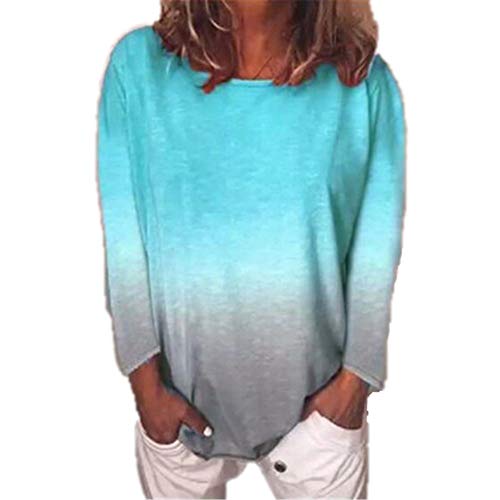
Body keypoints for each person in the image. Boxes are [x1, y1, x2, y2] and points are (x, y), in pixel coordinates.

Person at [96, 0, 406, 498]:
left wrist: (355, 383)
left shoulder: (361, 82)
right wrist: (145, 386)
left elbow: (376, 245)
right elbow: (125, 240)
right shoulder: (139, 68)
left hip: (320, 421)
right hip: (176, 412)